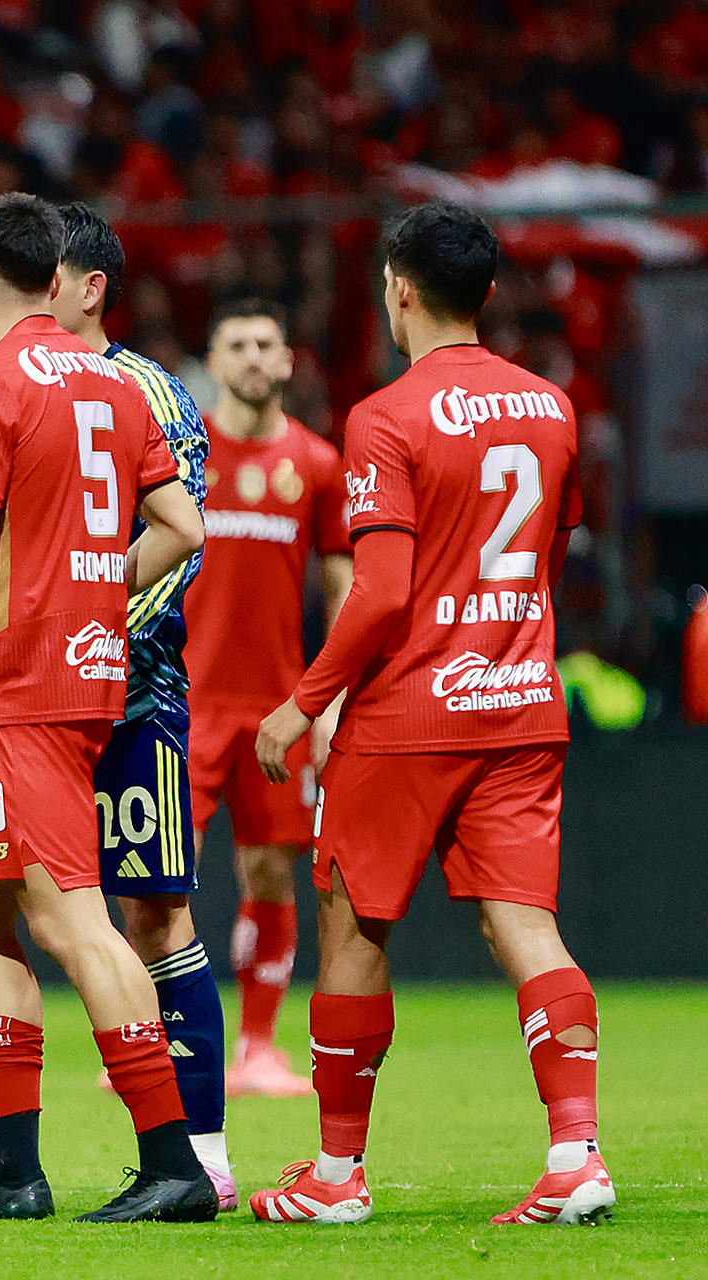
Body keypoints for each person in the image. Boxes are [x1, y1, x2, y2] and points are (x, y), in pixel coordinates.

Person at [249, 201, 608, 1227]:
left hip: (409, 714)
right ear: (488, 293)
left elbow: (383, 593)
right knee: (526, 924)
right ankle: (576, 1152)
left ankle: (335, 1173)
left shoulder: (385, 416)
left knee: (353, 921)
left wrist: (302, 702)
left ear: (396, 286)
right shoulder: (552, 405)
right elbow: (548, 556)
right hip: (522, 704)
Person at [0, 193, 215, 1223]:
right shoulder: (114, 387)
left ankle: (171, 1159)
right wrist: (97, 590)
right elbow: (183, 521)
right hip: (82, 676)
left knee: (76, 922)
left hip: (20, 688)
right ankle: (12, 1166)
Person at [50, 202, 231, 1209]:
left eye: (49, 278)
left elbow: (183, 536)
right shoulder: (10, 386)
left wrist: (87, 632)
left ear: (88, 288)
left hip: (133, 695)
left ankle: (199, 1151)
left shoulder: (149, 391)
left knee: (156, 912)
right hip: (26, 701)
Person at [187, 298, 352, 1097]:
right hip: (182, 702)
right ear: (213, 362)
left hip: (278, 707)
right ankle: (164, 1046)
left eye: (266, 343)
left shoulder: (318, 464)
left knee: (269, 874)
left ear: (287, 361)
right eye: (237, 343)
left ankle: (256, 1049)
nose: (253, 357)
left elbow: (344, 588)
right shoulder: (181, 457)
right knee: (153, 876)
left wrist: (332, 700)